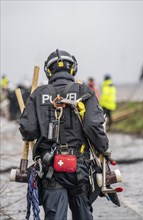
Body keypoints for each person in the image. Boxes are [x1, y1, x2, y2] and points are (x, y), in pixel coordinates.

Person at [19, 49, 110, 220]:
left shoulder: (38, 94)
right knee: (83, 215)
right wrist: (105, 150)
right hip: (80, 168)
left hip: (50, 168)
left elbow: (28, 131)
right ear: (72, 69)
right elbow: (93, 126)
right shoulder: (84, 91)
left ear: (49, 71)